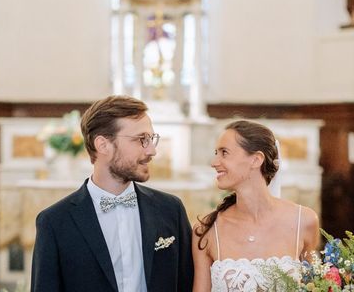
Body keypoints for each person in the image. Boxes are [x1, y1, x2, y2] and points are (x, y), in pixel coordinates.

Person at [30, 95, 194, 292]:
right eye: (141, 139)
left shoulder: (170, 210)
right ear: (103, 145)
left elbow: (187, 283)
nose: (152, 151)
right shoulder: (55, 222)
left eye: (151, 139)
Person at [192, 120, 319, 292]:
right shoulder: (206, 230)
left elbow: (317, 286)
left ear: (256, 159)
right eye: (216, 153)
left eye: (224, 153)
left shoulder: (304, 221)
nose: (214, 162)